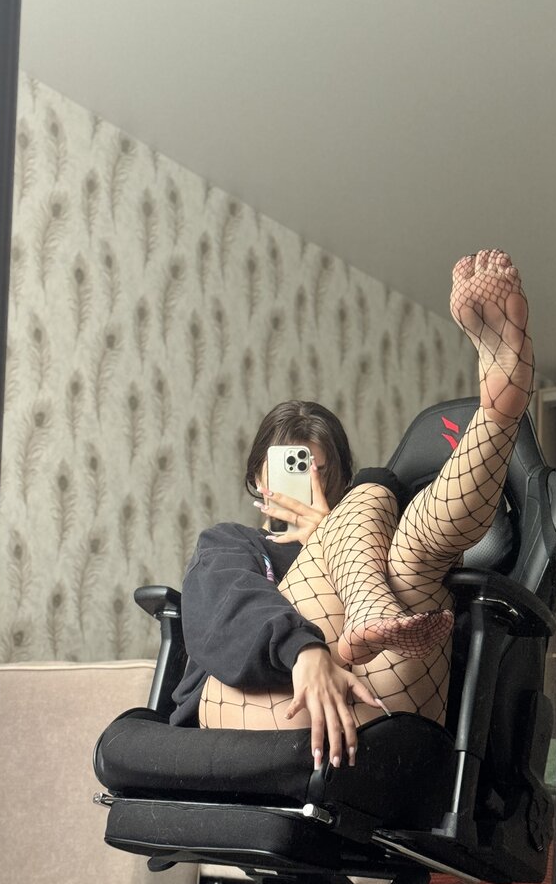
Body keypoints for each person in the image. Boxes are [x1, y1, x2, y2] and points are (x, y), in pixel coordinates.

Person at [170, 250, 534, 774]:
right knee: (379, 499)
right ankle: (497, 415)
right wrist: (306, 651)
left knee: (405, 540)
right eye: (293, 467)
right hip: (259, 706)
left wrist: (331, 532)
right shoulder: (233, 542)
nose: (310, 481)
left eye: (322, 470)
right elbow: (220, 612)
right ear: (257, 477)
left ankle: (498, 413)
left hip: (383, 700)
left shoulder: (368, 519)